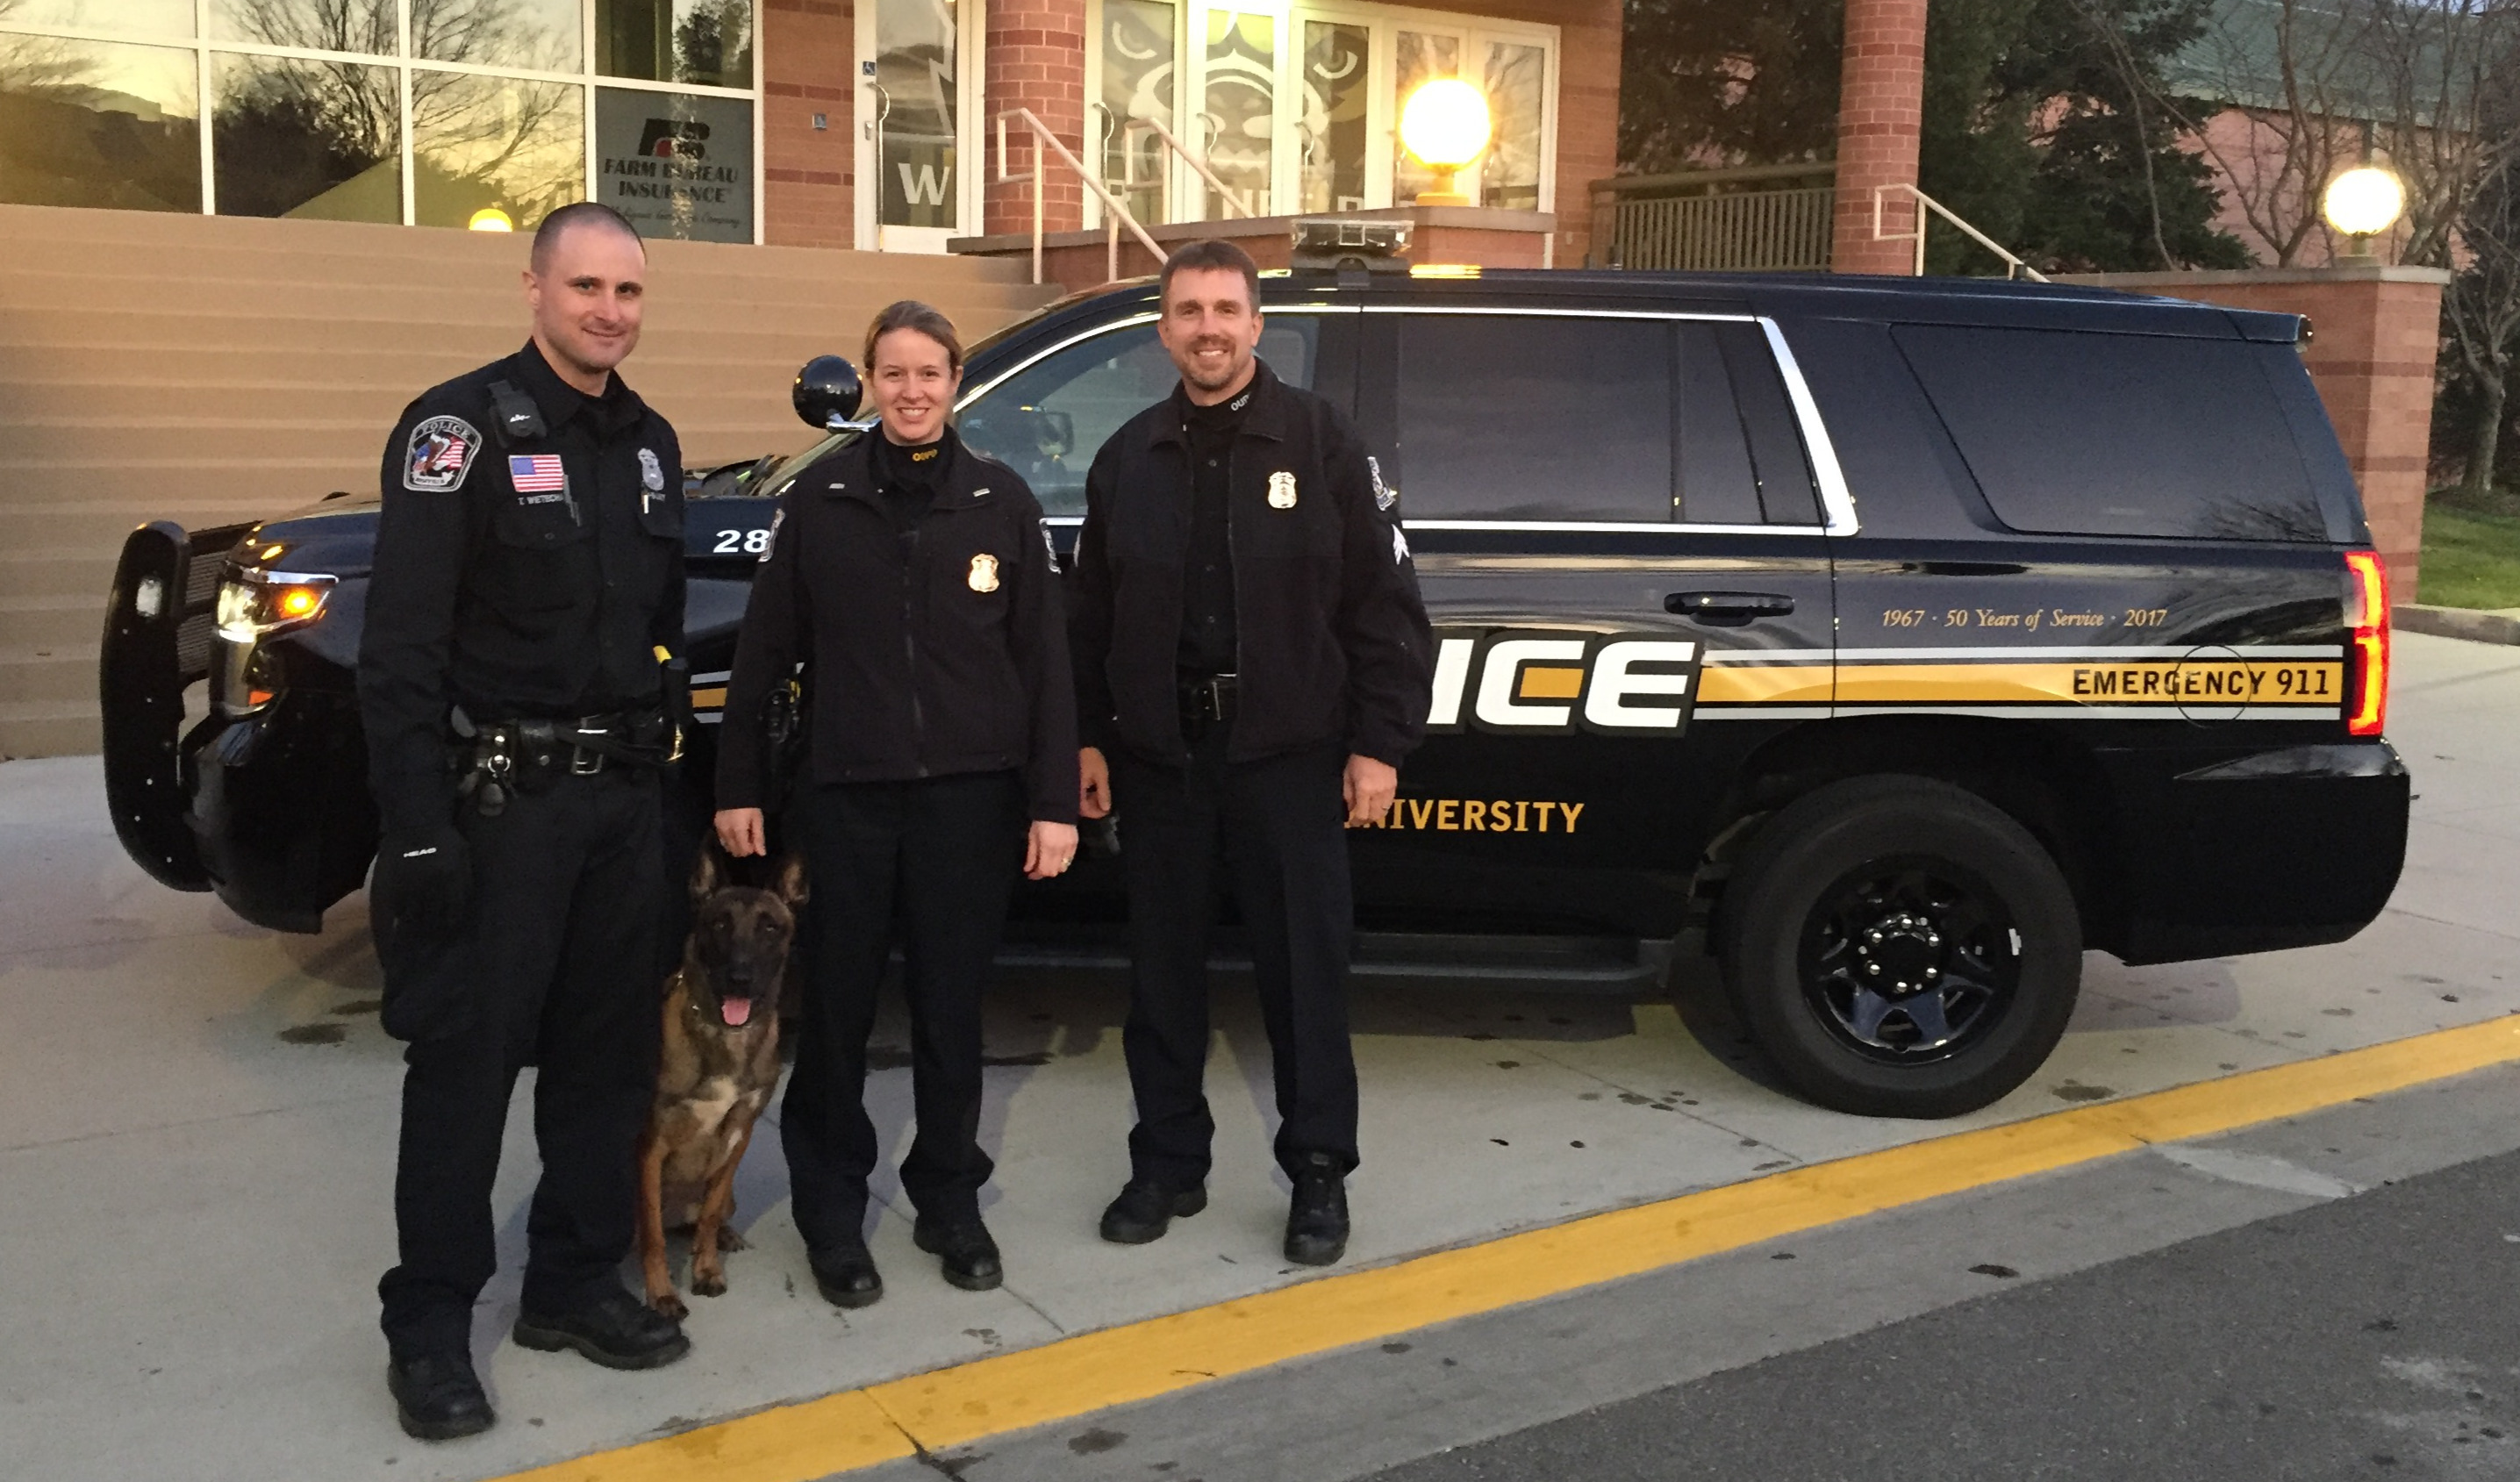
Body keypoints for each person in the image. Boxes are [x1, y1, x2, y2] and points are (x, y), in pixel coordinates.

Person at [359, 202, 691, 1443]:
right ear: (534, 288)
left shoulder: (649, 443)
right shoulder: (456, 432)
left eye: (628, 291)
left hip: (620, 805)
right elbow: (400, 651)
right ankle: (431, 1324)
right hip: (503, 809)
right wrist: (417, 827)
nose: (609, 310)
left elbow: (657, 636)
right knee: (466, 1067)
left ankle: (571, 1281)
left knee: (605, 1064)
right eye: (587, 286)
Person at [1070, 240, 1433, 1267]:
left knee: (1303, 976)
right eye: (1189, 312)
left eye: (1225, 310)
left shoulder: (1321, 442)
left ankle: (1317, 1171)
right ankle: (1166, 1163)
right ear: (1163, 331)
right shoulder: (1127, 458)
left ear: (1257, 325)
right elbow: (1087, 618)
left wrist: (1378, 744)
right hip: (1161, 758)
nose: (1208, 330)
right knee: (1162, 976)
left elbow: (1383, 608)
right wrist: (1088, 737)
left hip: (1289, 754)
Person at [714, 300, 1079, 1307]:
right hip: (847, 800)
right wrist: (739, 784)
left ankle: (948, 1197)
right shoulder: (821, 498)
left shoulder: (1000, 501)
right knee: (835, 1014)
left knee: (951, 1014)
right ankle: (832, 1212)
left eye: (929, 373)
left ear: (955, 383)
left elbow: (1044, 666)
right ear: (869, 385)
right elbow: (763, 653)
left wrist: (1052, 803)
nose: (911, 391)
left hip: (970, 804)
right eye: (893, 374)